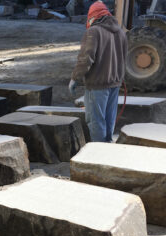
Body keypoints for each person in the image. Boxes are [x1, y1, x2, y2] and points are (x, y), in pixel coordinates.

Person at [69, 1, 127, 142]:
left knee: (95, 120)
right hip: (115, 83)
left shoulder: (93, 32)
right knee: (109, 118)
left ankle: (98, 152)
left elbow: (85, 59)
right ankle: (107, 147)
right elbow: (123, 58)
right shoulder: (120, 32)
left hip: (97, 84)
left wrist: (75, 78)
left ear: (93, 16)